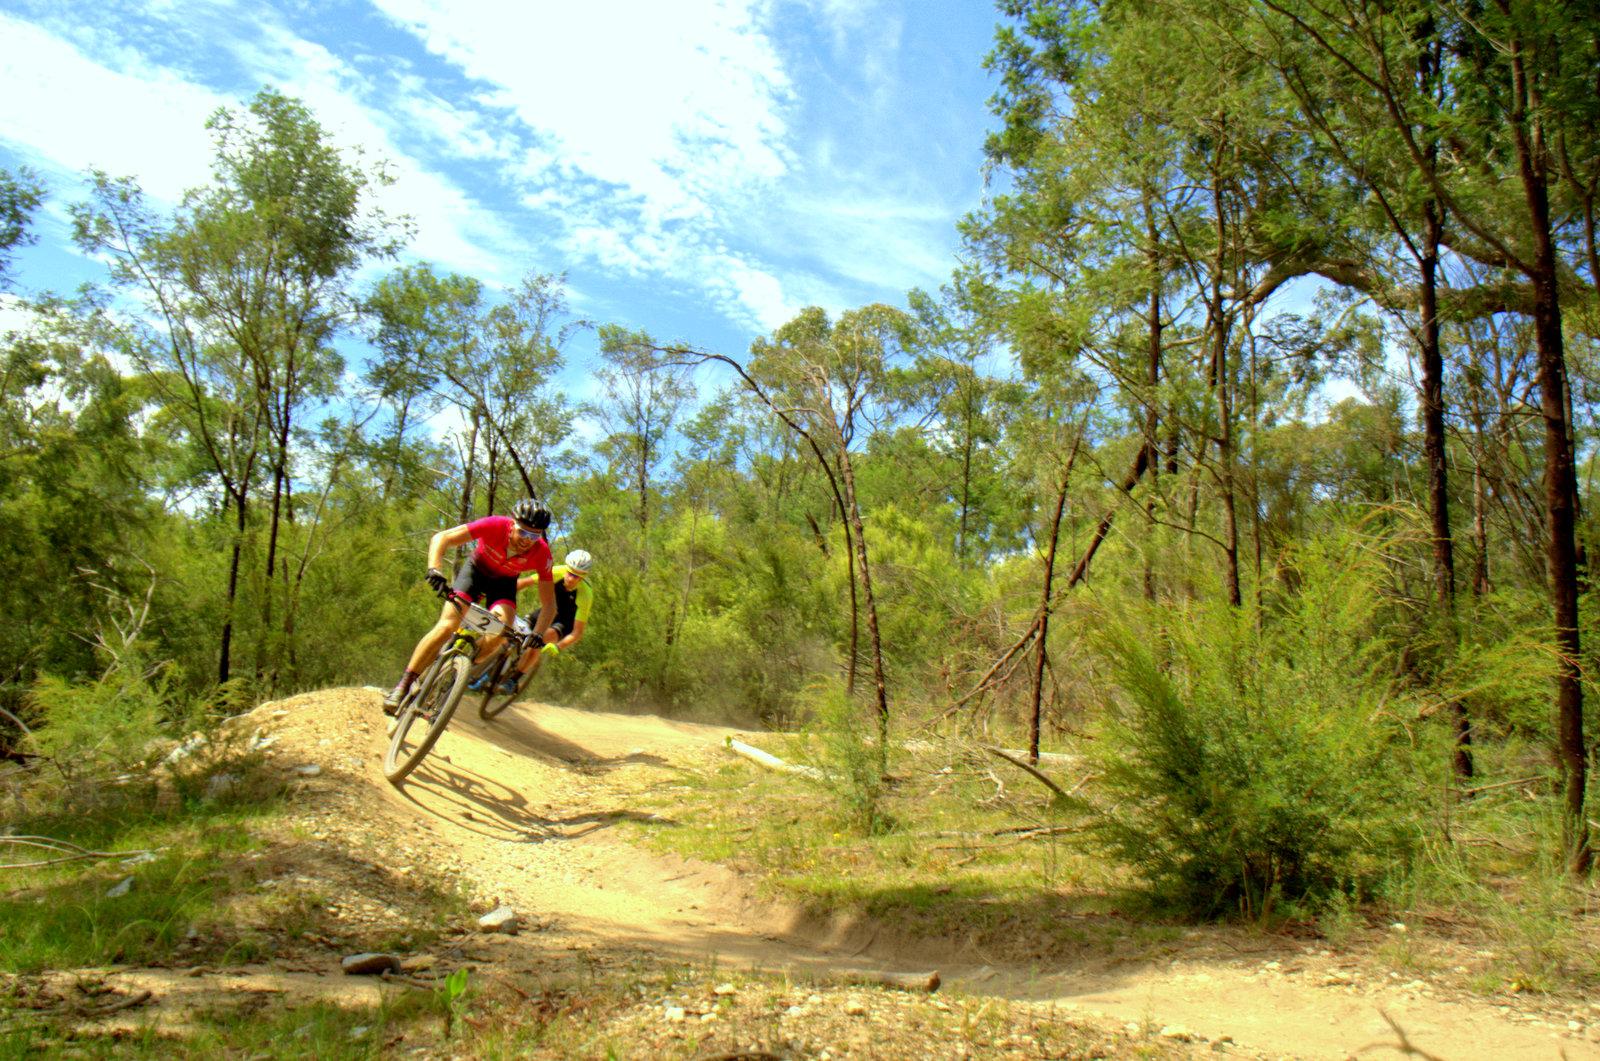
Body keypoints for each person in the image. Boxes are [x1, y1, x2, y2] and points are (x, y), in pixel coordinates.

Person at [382, 499, 557, 714]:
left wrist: (538, 634)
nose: (527, 540)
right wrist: (434, 569)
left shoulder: (542, 554)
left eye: (534, 535)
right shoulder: (494, 525)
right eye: (523, 532)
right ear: (512, 524)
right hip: (475, 572)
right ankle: (404, 685)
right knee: (447, 626)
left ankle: (460, 669)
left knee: (502, 631)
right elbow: (442, 537)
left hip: (503, 585)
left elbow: (549, 604)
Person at [472, 548, 593, 696]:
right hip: (546, 612)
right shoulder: (556, 572)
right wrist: (499, 594)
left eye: (577, 576)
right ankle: (489, 671)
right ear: (566, 568)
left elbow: (577, 632)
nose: (571, 578)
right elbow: (525, 582)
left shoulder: (586, 595)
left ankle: (514, 680)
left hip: (564, 623)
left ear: (583, 576)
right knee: (509, 634)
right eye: (569, 572)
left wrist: (559, 647)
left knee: (538, 640)